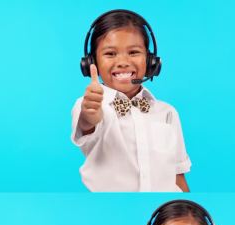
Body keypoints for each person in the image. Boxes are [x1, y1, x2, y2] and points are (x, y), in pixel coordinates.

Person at [72, 10, 191, 192]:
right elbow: (88, 123)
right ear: (91, 63)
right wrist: (89, 115)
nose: (123, 62)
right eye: (110, 54)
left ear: (151, 61)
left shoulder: (167, 112)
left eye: (134, 52)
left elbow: (177, 176)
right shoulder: (90, 103)